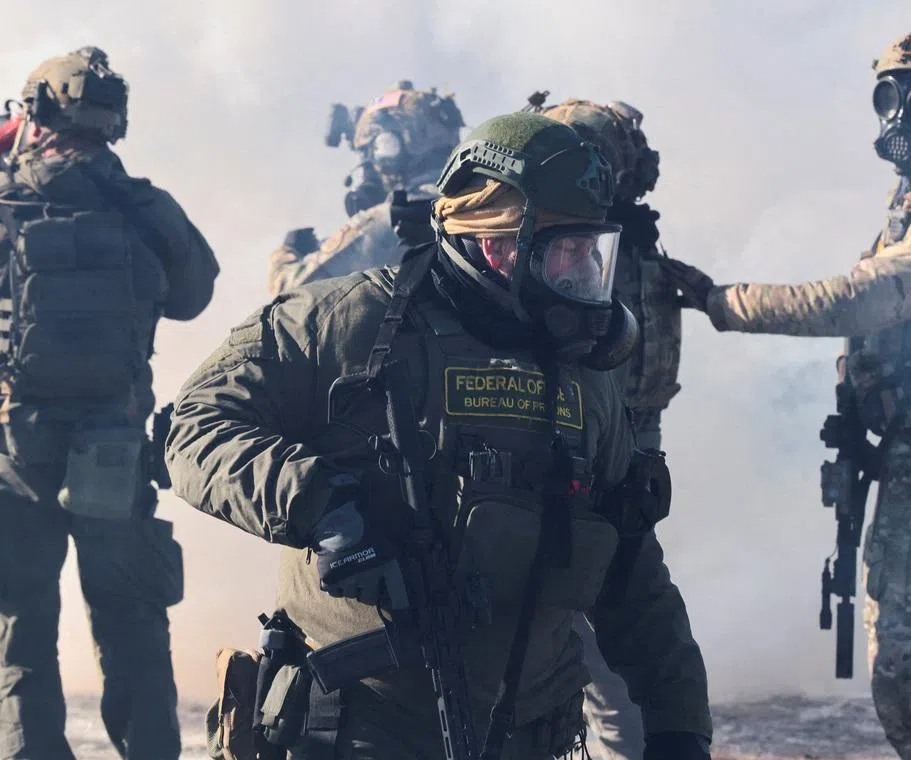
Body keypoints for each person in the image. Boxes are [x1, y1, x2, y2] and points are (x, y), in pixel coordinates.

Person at [168, 112, 711, 760]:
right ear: (496, 242)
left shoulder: (582, 372)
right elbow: (194, 425)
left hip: (532, 737)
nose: (585, 269)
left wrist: (681, 730)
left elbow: (631, 567)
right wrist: (320, 506)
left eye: (592, 250)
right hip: (356, 730)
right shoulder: (346, 324)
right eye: (567, 249)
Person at [662, 30, 911, 760]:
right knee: (902, 680)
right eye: (890, 95)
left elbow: (868, 300)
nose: (901, 115)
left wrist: (724, 301)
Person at [0, 46, 219, 759]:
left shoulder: (7, 198)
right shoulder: (144, 207)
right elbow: (192, 296)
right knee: (131, 622)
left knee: (20, 628)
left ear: (34, 113)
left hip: (14, 451)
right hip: (113, 452)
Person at [541, 97, 677, 760]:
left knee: (605, 644)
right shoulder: (605, 249)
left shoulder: (609, 250)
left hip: (604, 460)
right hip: (582, 456)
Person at [268, 81, 464, 297]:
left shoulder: (392, 217)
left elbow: (290, 290)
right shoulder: (475, 200)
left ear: (388, 150)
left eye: (368, 153)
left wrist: (286, 254)